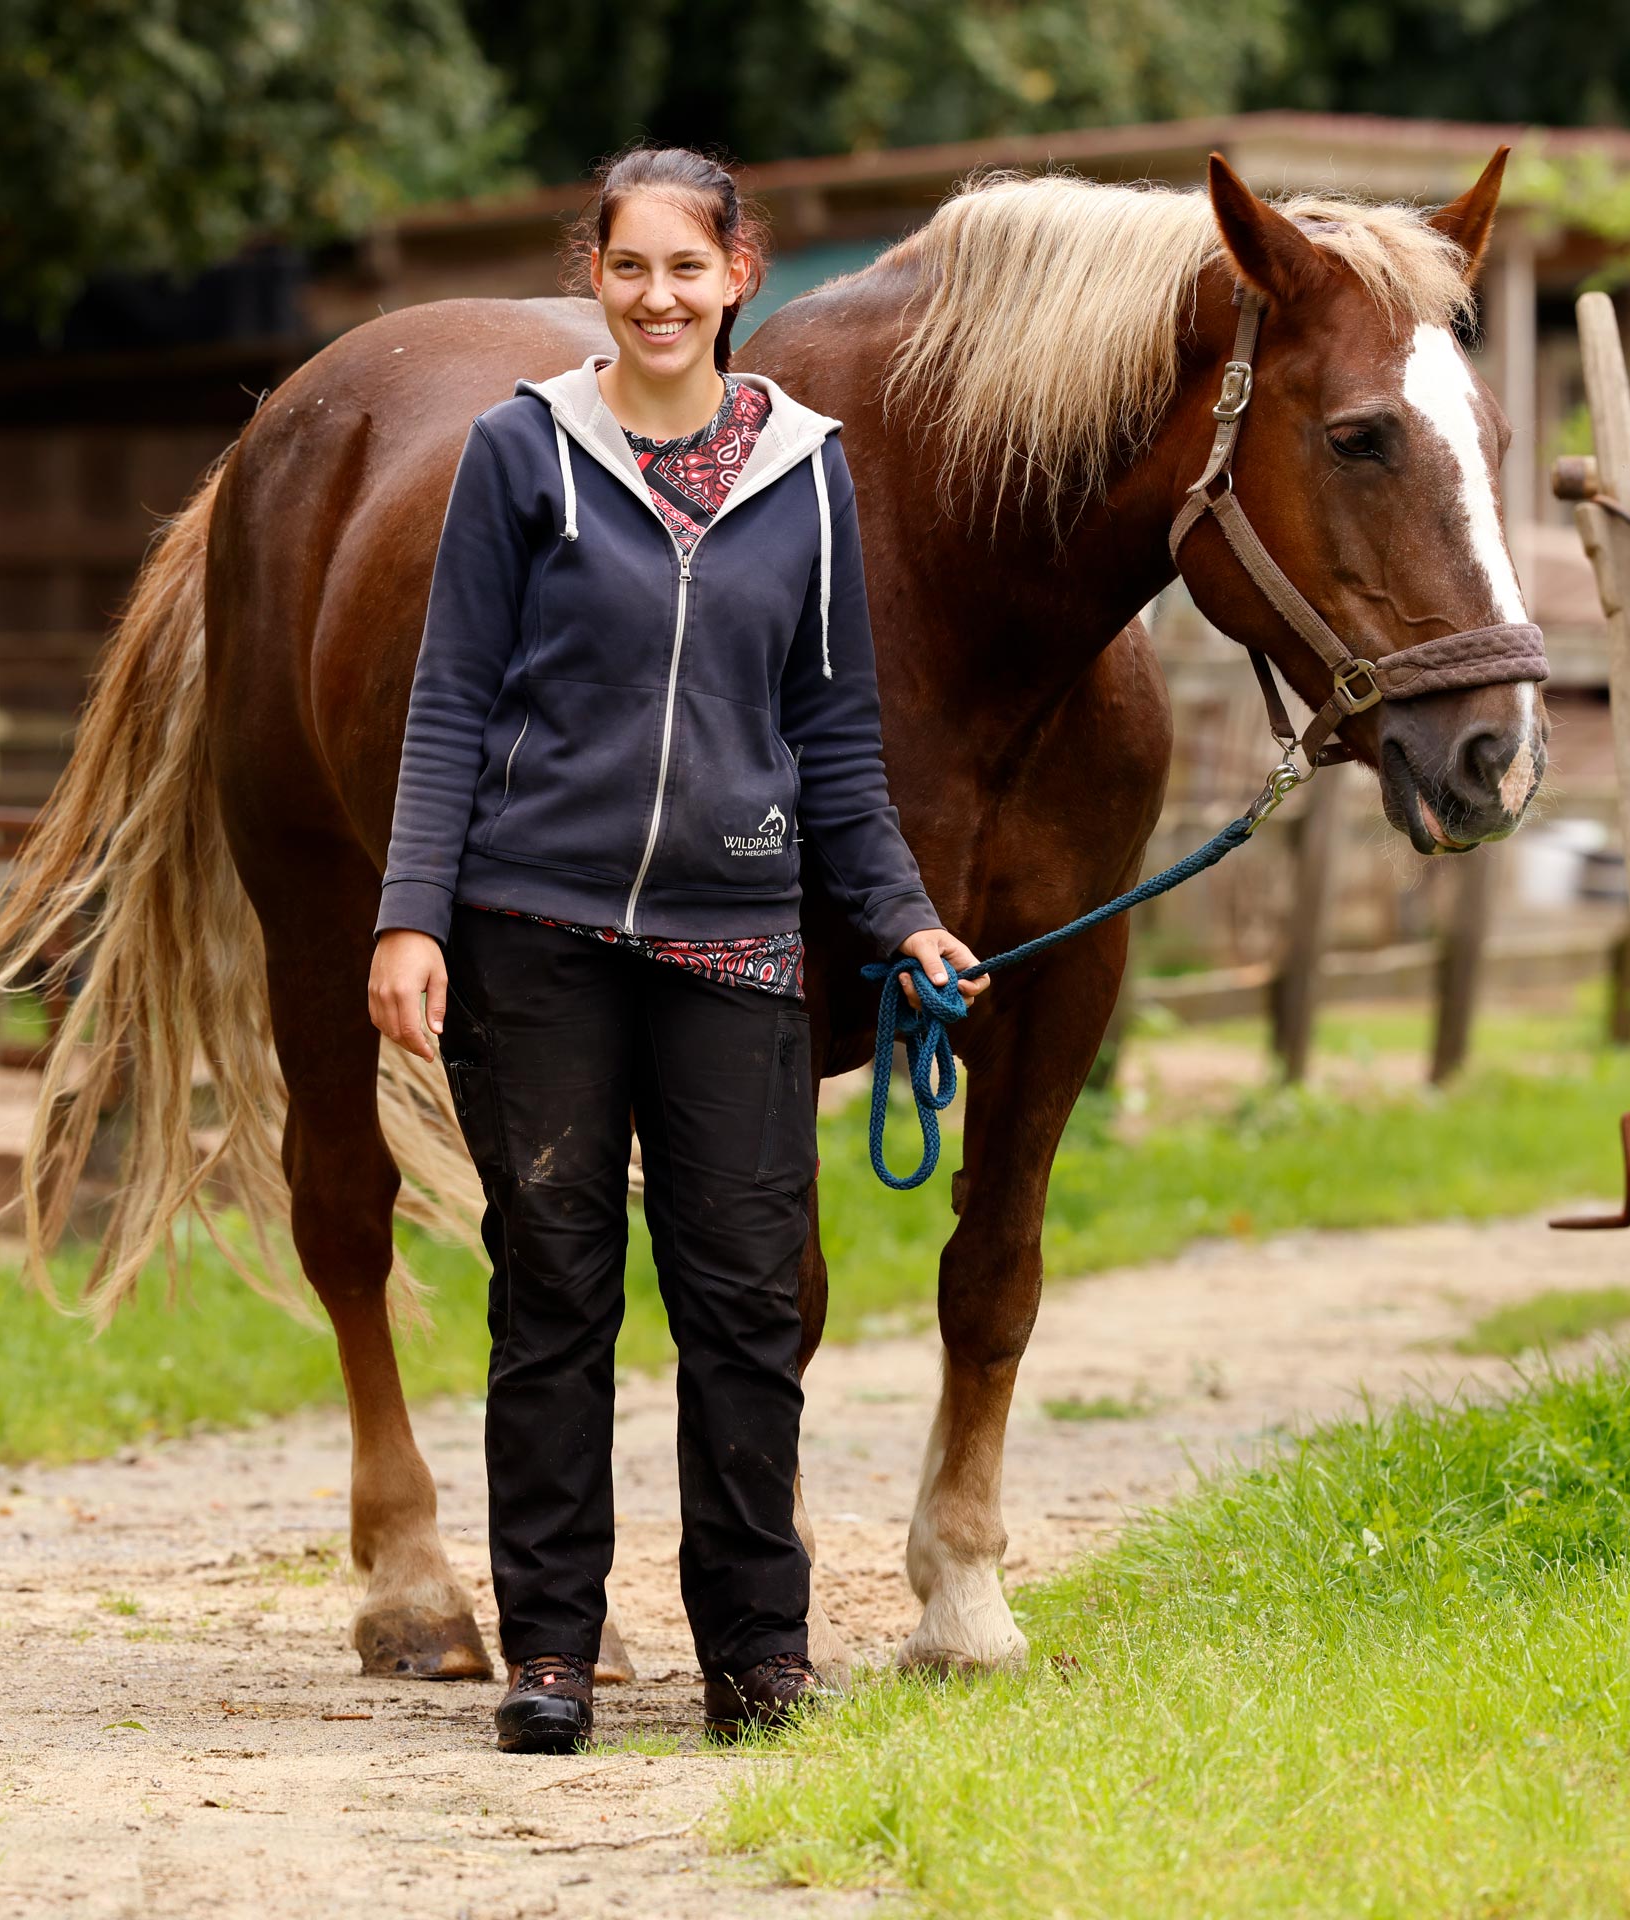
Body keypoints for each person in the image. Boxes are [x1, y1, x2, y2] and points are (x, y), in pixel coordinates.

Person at [367, 143, 986, 1755]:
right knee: (553, 1292)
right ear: (596, 275)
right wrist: (412, 913)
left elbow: (835, 735)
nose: (658, 297)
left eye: (686, 268)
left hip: (737, 939)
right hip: (535, 929)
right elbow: (449, 698)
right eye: (629, 267)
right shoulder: (523, 453)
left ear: (738, 276)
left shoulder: (807, 470)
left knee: (743, 1305)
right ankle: (553, 1650)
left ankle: (758, 1655)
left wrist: (904, 915)